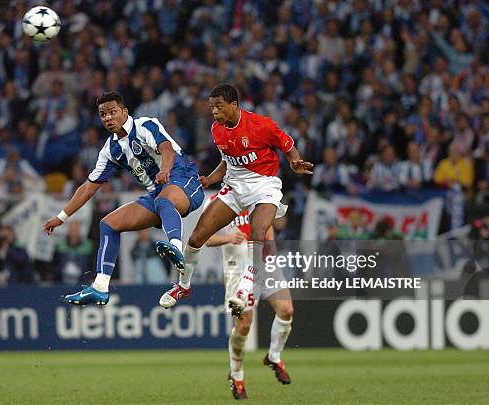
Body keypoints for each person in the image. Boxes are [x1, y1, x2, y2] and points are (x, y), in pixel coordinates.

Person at [159, 83, 312, 319]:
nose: (215, 112)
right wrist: (209, 179)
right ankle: (183, 285)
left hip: (264, 185)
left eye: (219, 107)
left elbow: (288, 144)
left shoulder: (261, 125)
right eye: (212, 108)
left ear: (234, 104)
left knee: (259, 231)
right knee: (197, 236)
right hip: (234, 187)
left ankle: (246, 287)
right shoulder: (217, 130)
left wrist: (295, 161)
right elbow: (227, 162)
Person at [43, 91, 204, 305]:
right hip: (157, 194)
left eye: (112, 112)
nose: (108, 118)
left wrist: (165, 169)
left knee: (164, 199)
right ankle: (100, 287)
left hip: (185, 180)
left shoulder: (144, 125)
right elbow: (88, 188)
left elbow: (166, 148)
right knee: (109, 224)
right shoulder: (110, 150)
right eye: (103, 114)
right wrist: (61, 217)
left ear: (124, 111)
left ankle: (175, 247)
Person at [203, 194, 293, 399]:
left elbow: (267, 223)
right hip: (237, 271)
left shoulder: (259, 191)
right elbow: (205, 238)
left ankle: (274, 357)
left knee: (286, 310)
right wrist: (227, 238)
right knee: (244, 325)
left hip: (264, 265)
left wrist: (271, 251)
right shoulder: (215, 202)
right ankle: (236, 375)